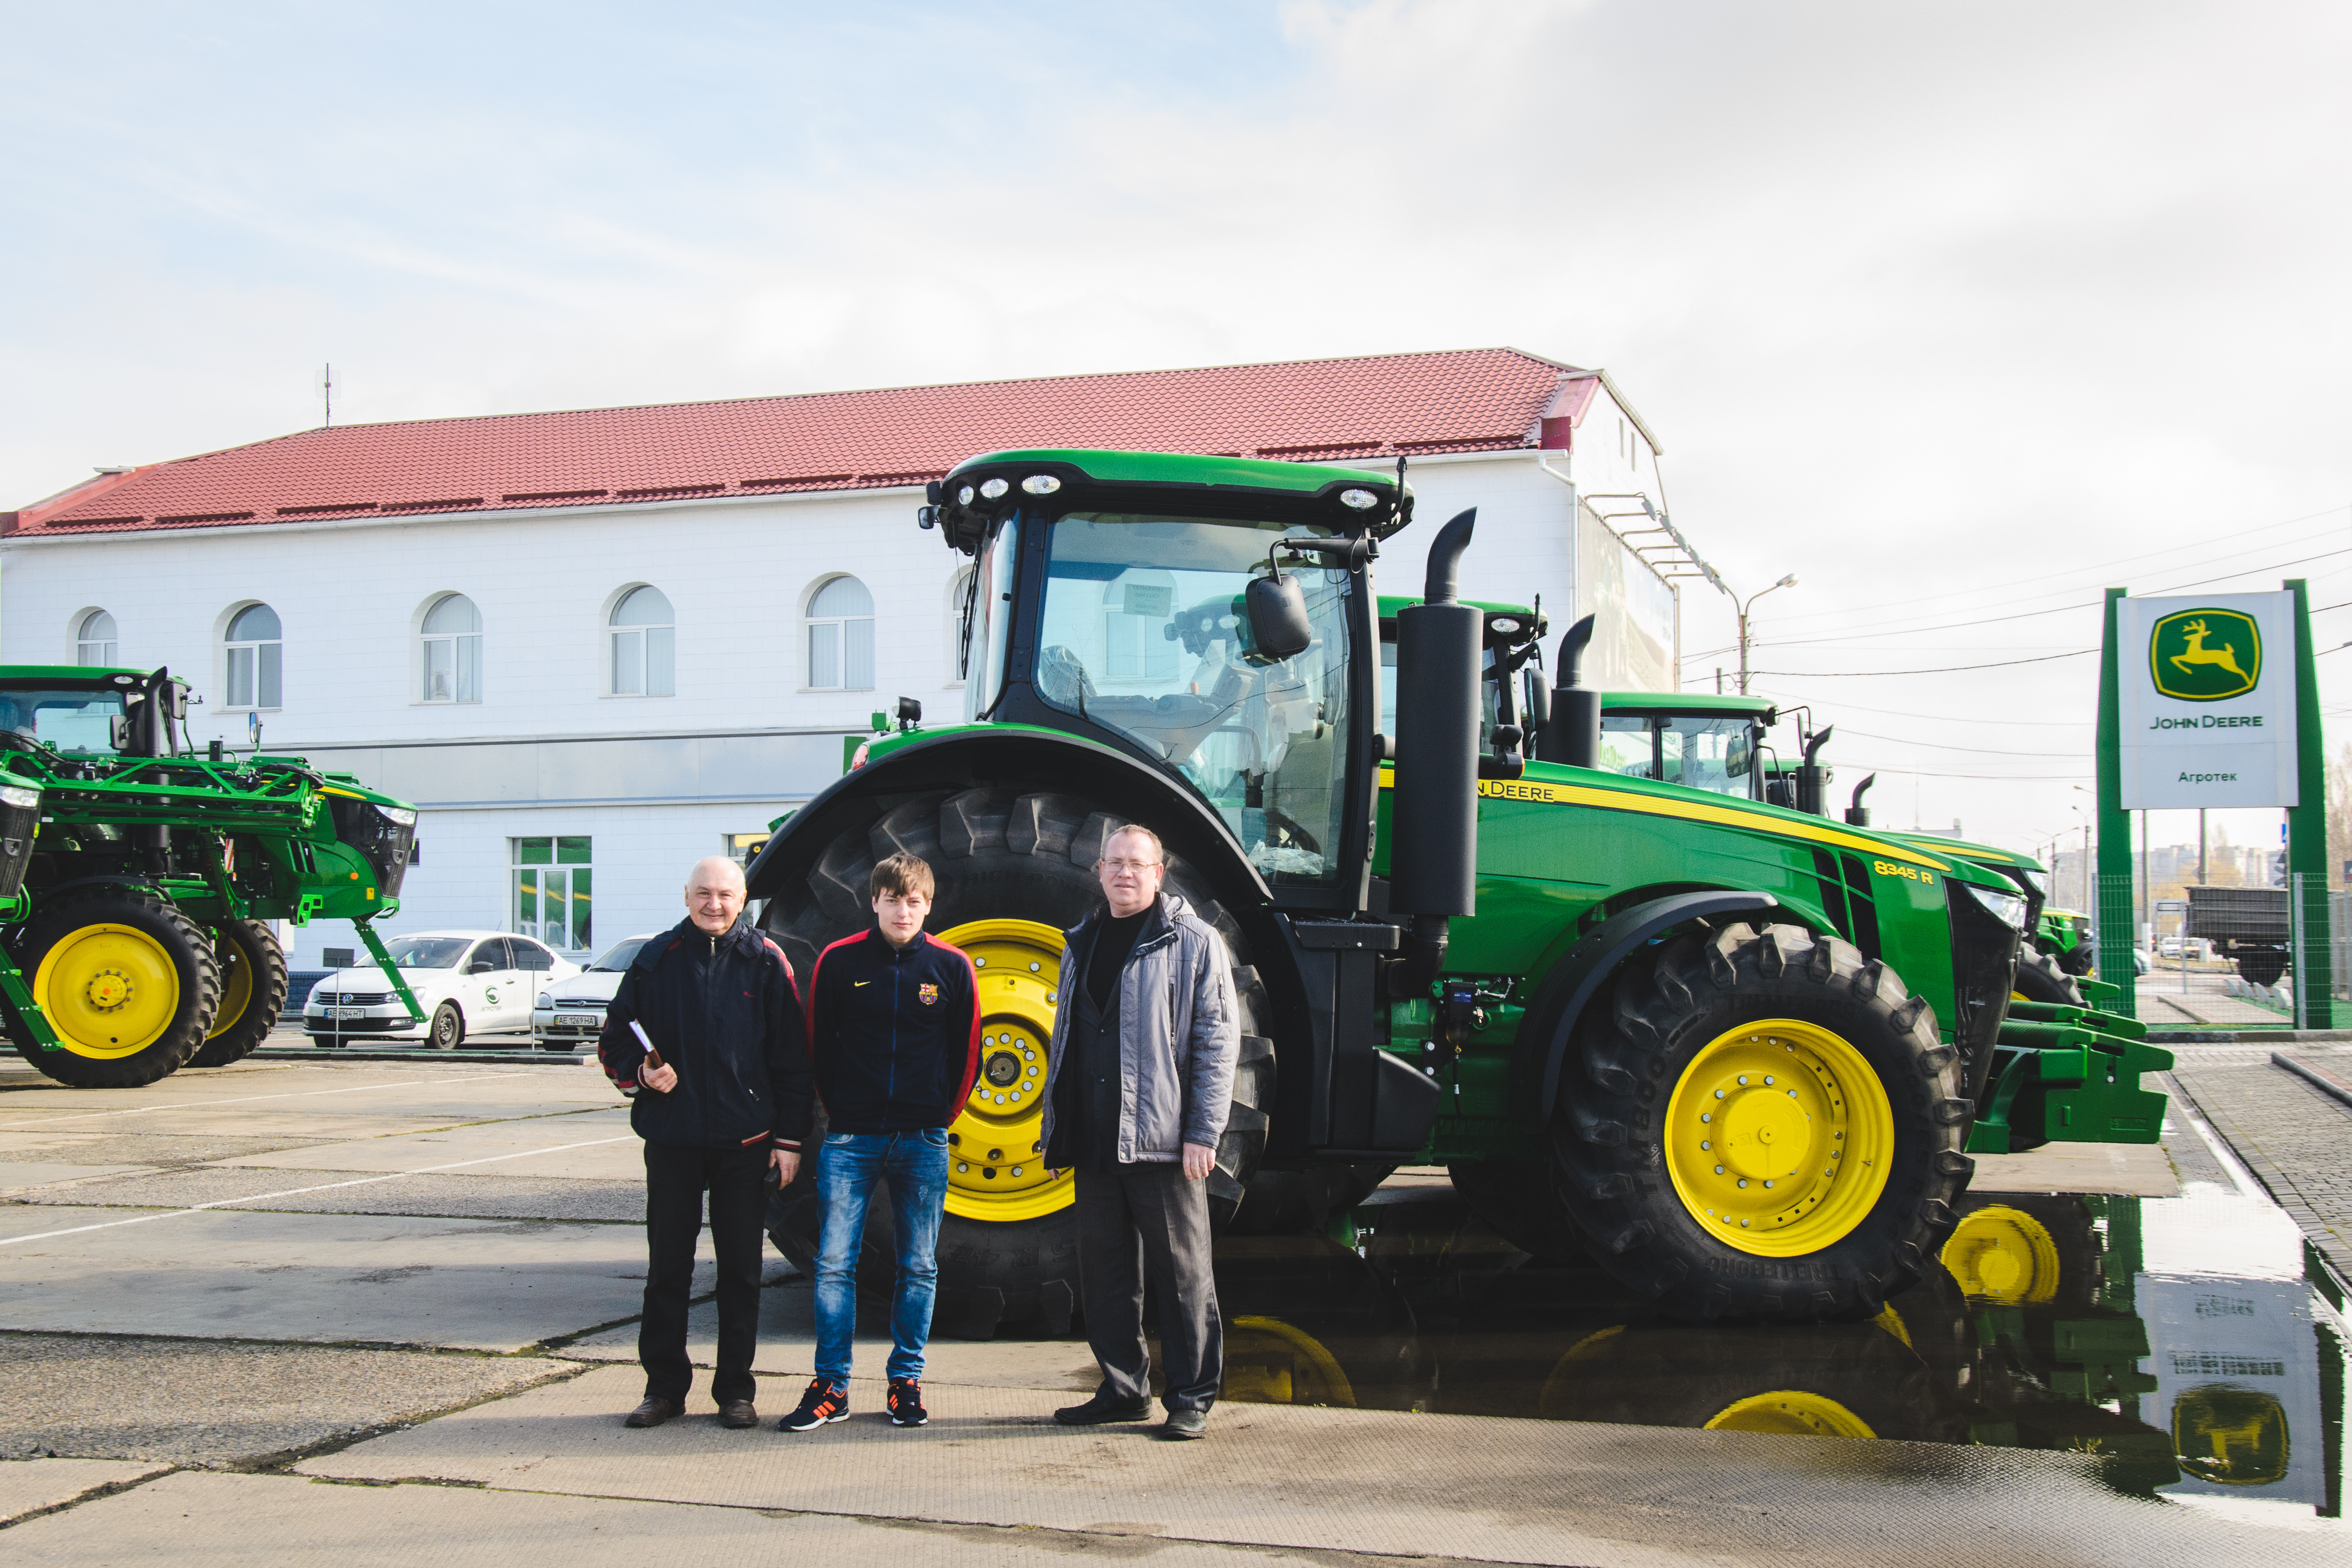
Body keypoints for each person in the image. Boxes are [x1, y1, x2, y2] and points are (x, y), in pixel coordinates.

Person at [598, 855, 808, 1431]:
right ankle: (663, 1389)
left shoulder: (767, 961)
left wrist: (789, 1141)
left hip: (747, 1143)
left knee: (741, 1272)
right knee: (668, 1270)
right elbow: (615, 1040)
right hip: (673, 1140)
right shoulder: (654, 960)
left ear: (743, 900)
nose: (714, 904)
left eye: (725, 895)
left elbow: (792, 1059)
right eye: (704, 893)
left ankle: (735, 1391)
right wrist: (642, 1074)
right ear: (686, 895)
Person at [1044, 824, 1238, 1440]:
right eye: (1115, 863)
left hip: (1164, 1142)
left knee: (1182, 1275)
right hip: (1095, 1139)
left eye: (1137, 863)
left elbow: (1217, 1043)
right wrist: (1058, 1130)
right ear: (1099, 872)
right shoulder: (1081, 941)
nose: (1124, 873)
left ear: (1159, 873)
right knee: (1105, 1277)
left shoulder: (1193, 941)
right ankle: (1124, 1390)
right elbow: (1066, 1041)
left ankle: (1190, 1398)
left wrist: (1204, 1133)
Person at [782, 850, 980, 1433]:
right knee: (834, 1263)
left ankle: (906, 1381)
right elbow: (818, 1043)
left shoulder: (951, 967)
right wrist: (842, 1111)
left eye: (913, 901)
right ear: (874, 901)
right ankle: (831, 1386)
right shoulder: (839, 961)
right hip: (853, 1137)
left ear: (928, 905)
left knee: (917, 1265)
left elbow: (967, 1050)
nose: (902, 911)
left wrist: (940, 1114)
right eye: (892, 900)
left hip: (923, 1138)